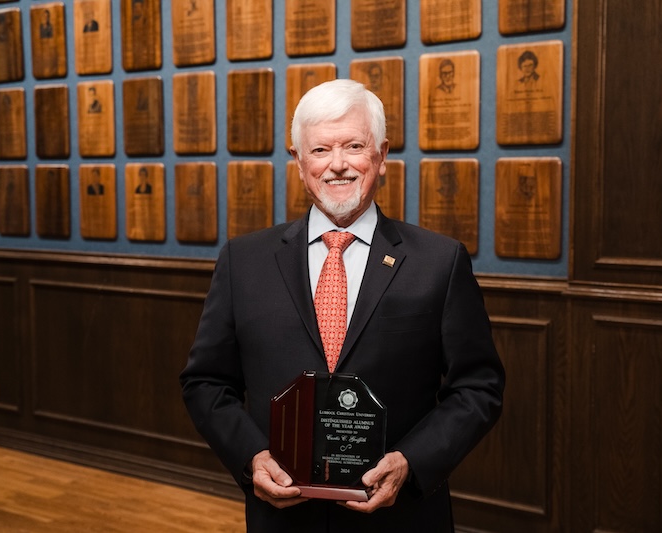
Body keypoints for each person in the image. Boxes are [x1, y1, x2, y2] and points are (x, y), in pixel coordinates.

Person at [180, 79, 504, 532]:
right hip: (284, 518)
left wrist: (411, 462)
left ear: (382, 155)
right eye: (319, 150)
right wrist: (251, 458)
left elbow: (479, 387)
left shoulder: (440, 261)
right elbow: (206, 382)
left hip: (401, 518)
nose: (338, 165)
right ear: (297, 161)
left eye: (354, 146)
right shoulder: (244, 261)